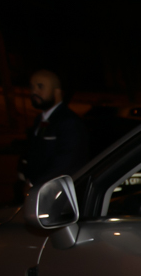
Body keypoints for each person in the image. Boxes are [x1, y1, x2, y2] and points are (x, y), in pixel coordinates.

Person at [16, 69, 91, 198]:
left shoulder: (68, 122)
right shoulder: (40, 120)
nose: (34, 92)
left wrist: (35, 184)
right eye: (32, 87)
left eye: (40, 87)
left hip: (56, 194)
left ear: (57, 92)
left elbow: (67, 161)